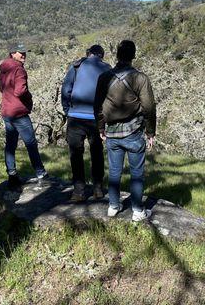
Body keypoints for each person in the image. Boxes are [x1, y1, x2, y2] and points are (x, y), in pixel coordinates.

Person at [94, 40, 156, 222]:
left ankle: (113, 206)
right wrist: (150, 132)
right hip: (134, 132)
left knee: (114, 171)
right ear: (133, 55)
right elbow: (149, 107)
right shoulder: (140, 78)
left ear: (117, 55)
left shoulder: (104, 77)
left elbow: (97, 106)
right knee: (137, 173)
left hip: (112, 132)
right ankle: (137, 210)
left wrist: (100, 127)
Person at [61, 44, 111, 202]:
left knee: (76, 153)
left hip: (75, 116)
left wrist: (67, 110)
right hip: (96, 118)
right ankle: (98, 188)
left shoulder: (76, 65)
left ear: (88, 54)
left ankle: (78, 192)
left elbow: (66, 89)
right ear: (101, 56)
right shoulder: (107, 68)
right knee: (97, 152)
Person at [0, 44, 48, 191]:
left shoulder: (4, 67)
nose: (24, 55)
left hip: (7, 111)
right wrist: (29, 97)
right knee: (31, 144)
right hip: (19, 113)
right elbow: (20, 91)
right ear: (13, 53)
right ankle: (41, 174)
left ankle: (12, 176)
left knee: (10, 145)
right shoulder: (18, 69)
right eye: (21, 53)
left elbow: (2, 88)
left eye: (25, 52)